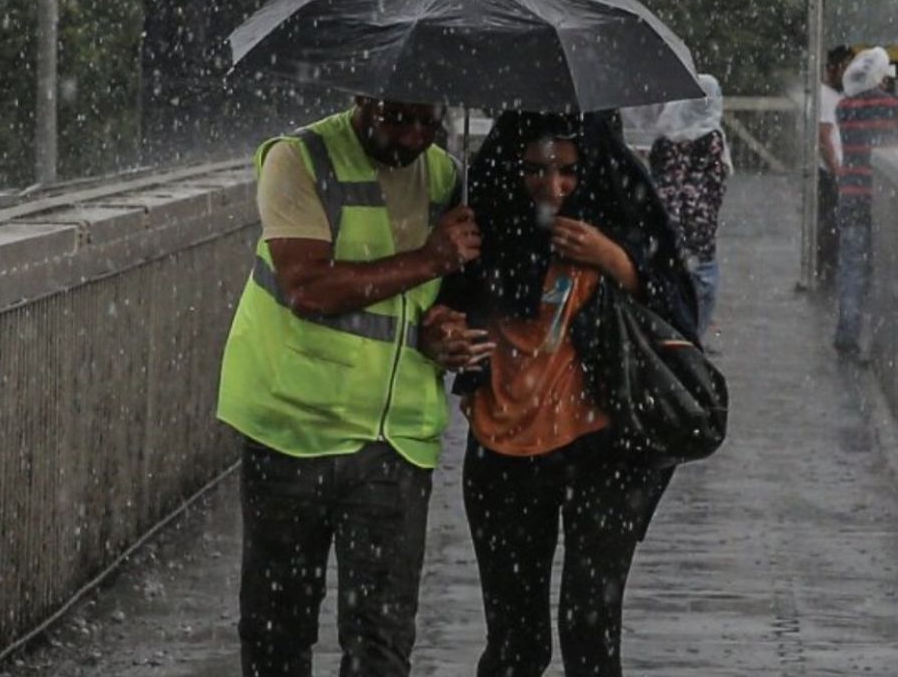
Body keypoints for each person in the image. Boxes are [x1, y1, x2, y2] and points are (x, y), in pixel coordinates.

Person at [216, 95, 489, 677]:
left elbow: (441, 305)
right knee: (276, 633)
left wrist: (443, 334)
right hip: (293, 427)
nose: (416, 135)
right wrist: (430, 258)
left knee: (382, 644)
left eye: (428, 121)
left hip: (396, 440)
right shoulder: (298, 160)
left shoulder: (447, 177)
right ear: (363, 99)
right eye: (398, 119)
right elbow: (308, 287)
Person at [438, 110, 698, 677]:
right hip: (505, 447)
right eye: (533, 170)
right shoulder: (486, 225)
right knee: (515, 642)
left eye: (568, 172)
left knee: (590, 629)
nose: (551, 188)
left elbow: (679, 314)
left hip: (607, 448)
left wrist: (616, 261)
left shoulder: (623, 214)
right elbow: (447, 310)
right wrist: (446, 335)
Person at [834, 47, 898, 359]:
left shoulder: (844, 107)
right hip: (884, 198)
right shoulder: (896, 106)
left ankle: (847, 331)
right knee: (886, 267)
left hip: (851, 196)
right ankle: (880, 340)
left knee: (853, 266)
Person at [648, 74, 732, 345]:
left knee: (670, 280)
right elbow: (717, 183)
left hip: (664, 226)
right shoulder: (713, 139)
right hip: (700, 229)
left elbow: (655, 178)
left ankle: (674, 334)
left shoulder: (665, 138)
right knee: (703, 281)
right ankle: (694, 337)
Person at [817, 46, 853, 286]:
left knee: (836, 220)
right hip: (833, 171)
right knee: (832, 221)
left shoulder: (841, 96)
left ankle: (831, 267)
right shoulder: (826, 96)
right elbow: (824, 136)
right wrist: (837, 168)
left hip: (841, 168)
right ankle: (828, 268)